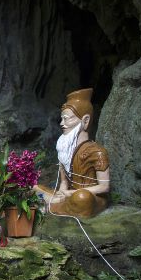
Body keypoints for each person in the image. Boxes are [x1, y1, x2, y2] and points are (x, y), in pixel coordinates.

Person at [34, 88, 110, 218]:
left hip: (90, 198)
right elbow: (64, 183)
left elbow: (104, 187)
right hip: (68, 197)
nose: (62, 124)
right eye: (61, 119)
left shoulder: (97, 152)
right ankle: (57, 205)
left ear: (85, 121)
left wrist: (70, 194)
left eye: (66, 119)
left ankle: (50, 207)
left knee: (82, 198)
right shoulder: (64, 151)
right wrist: (62, 194)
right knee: (35, 188)